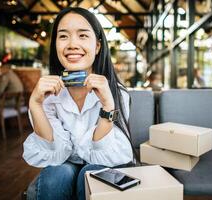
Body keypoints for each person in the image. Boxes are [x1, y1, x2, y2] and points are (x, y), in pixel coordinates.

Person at [22, 7, 135, 200]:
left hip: (103, 161)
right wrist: (35, 104)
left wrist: (108, 104)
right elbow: (54, 153)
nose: (73, 44)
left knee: (90, 173)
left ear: (98, 46)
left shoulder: (116, 93)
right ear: (55, 44)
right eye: (63, 36)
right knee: (57, 174)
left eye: (83, 35)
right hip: (63, 163)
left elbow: (105, 153)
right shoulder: (48, 94)